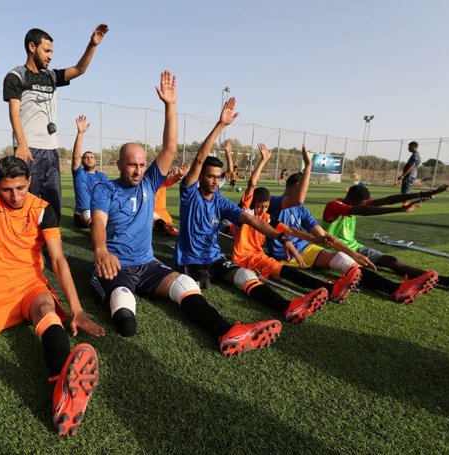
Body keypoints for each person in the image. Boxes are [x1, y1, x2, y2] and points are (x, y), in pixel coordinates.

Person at [0, 35, 104, 436]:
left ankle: (63, 387)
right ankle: (63, 384)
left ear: (29, 182)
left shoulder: (40, 207)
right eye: (8, 189)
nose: (16, 196)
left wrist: (76, 309)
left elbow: (57, 259)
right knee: (10, 317)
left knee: (46, 308)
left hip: (29, 285)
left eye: (22, 188)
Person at [91, 72, 281, 356]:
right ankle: (119, 304)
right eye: (131, 165)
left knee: (185, 284)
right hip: (115, 267)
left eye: (141, 164)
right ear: (119, 164)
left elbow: (169, 148)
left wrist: (170, 106)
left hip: (147, 264)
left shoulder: (149, 182)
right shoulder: (105, 189)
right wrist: (101, 251)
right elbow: (98, 222)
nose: (138, 170)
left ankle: (226, 332)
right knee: (125, 316)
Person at [175, 99, 333, 325]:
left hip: (215, 258)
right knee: (196, 288)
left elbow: (251, 219)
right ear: (200, 176)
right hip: (190, 260)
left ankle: (288, 307)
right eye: (210, 176)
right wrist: (221, 125)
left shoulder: (220, 201)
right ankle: (225, 327)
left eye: (218, 177)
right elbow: (200, 159)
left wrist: (280, 237)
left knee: (244, 274)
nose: (215, 181)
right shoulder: (189, 193)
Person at [269, 167, 438, 304]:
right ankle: (332, 289)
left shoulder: (302, 210)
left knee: (349, 264)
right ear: (291, 186)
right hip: (283, 254)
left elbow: (325, 236)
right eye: (302, 188)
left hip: (306, 249)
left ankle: (396, 289)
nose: (304, 193)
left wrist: (353, 254)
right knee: (339, 265)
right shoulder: (273, 203)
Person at [232, 143, 362, 306]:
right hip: (244, 258)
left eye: (265, 207)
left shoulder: (266, 217)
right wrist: (263, 160)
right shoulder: (247, 212)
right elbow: (252, 184)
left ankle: (331, 288)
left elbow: (289, 230)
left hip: (259, 255)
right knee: (284, 271)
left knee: (284, 271)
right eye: (259, 206)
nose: (262, 210)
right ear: (252, 204)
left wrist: (314, 240)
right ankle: (329, 289)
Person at [3, 24, 109, 221]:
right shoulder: (16, 76)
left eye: (52, 51)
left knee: (53, 204)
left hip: (51, 151)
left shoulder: (51, 76)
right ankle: (27, 240)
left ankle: (52, 239)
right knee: (29, 204)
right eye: (47, 50)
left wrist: (92, 45)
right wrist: (22, 145)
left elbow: (79, 69)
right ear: (32, 47)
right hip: (29, 149)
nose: (50, 56)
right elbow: (14, 112)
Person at [322, 184, 449, 293]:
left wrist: (424, 194)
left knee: (391, 261)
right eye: (361, 204)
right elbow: (363, 211)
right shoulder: (334, 206)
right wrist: (399, 210)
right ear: (350, 199)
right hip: (335, 251)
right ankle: (400, 289)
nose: (364, 205)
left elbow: (387, 200)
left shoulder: (356, 204)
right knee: (367, 274)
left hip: (356, 247)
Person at [71, 115, 109, 228]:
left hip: (99, 211)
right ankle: (96, 230)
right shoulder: (79, 174)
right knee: (88, 213)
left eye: (91, 157)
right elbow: (75, 157)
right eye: (86, 157)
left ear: (95, 161)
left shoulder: (102, 176)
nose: (89, 159)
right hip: (82, 214)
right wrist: (80, 133)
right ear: (82, 161)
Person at [153, 163, 189, 236]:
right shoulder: (147, 183)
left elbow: (171, 180)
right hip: (150, 215)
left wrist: (179, 175)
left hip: (164, 216)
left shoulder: (163, 182)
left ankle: (165, 227)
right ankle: (164, 227)